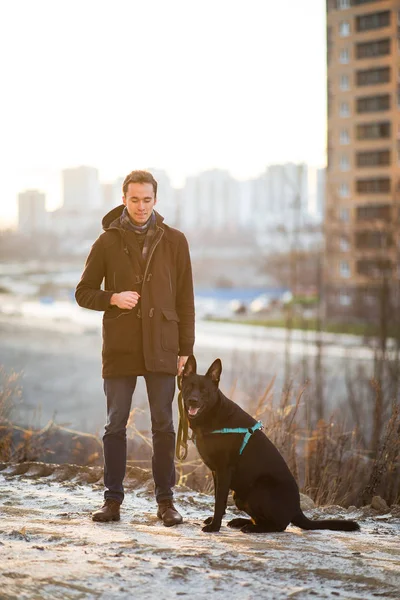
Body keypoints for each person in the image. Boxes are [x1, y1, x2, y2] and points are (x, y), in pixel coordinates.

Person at [75, 170, 195, 526]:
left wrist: (185, 349)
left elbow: (185, 299)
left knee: (164, 425)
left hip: (163, 345)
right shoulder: (107, 242)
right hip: (122, 347)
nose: (141, 206)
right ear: (123, 199)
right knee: (115, 425)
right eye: (134, 199)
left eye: (147, 199)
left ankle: (166, 503)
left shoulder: (176, 241)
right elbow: (83, 292)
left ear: (155, 200)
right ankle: (112, 501)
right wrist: (113, 297)